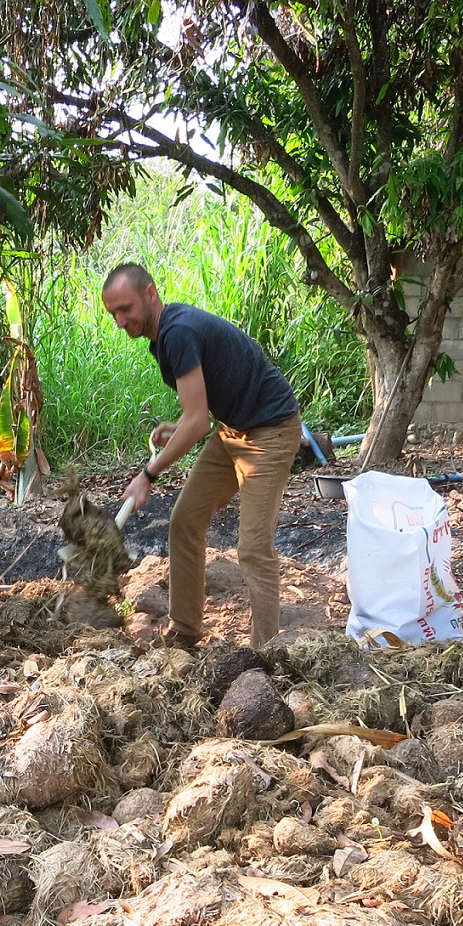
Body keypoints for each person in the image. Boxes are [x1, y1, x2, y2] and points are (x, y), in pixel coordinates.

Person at [103, 262, 303, 649]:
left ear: (150, 294)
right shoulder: (166, 334)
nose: (120, 321)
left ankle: (266, 654)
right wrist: (177, 426)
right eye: (113, 314)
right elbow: (198, 412)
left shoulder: (177, 331)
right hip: (233, 429)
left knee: (253, 548)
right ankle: (185, 631)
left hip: (271, 431)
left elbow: (197, 425)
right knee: (185, 521)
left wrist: (148, 475)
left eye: (125, 309)